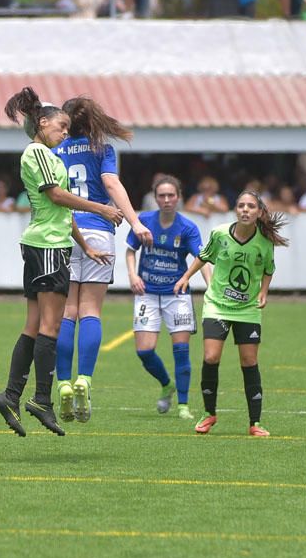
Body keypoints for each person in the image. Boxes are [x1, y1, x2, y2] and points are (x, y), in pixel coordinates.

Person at [0, 87, 122, 437]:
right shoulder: (38, 153)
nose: (65, 133)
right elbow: (58, 196)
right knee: (52, 325)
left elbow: (61, 210)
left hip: (46, 243)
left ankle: (11, 394)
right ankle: (41, 400)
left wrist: (86, 247)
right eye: (60, 126)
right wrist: (102, 208)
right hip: (48, 248)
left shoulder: (48, 154)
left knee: (33, 326)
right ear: (42, 122)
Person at [52, 97, 153, 423]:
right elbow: (111, 183)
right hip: (97, 231)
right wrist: (136, 221)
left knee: (67, 311)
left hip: (64, 233)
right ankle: (85, 379)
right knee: (91, 311)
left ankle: (64, 383)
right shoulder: (102, 149)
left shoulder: (55, 150)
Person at [173, 189, 288, 436]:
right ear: (236, 210)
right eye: (241, 205)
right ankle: (209, 413)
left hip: (247, 310)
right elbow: (203, 257)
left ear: (258, 213)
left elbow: (269, 268)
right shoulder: (220, 234)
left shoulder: (264, 242)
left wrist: (263, 292)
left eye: (250, 206)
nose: (245, 210)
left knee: (249, 361)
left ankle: (255, 423)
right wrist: (185, 277)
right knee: (211, 357)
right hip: (217, 305)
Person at [126, 175, 209, 420]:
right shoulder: (144, 220)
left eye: (171, 195)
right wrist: (132, 275)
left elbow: (201, 258)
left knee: (181, 350)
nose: (166, 200)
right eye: (161, 196)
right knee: (144, 351)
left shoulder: (187, 228)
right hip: (147, 294)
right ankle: (166, 384)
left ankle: (183, 405)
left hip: (177, 295)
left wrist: (210, 286)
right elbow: (131, 250)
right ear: (155, 197)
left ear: (179, 197)